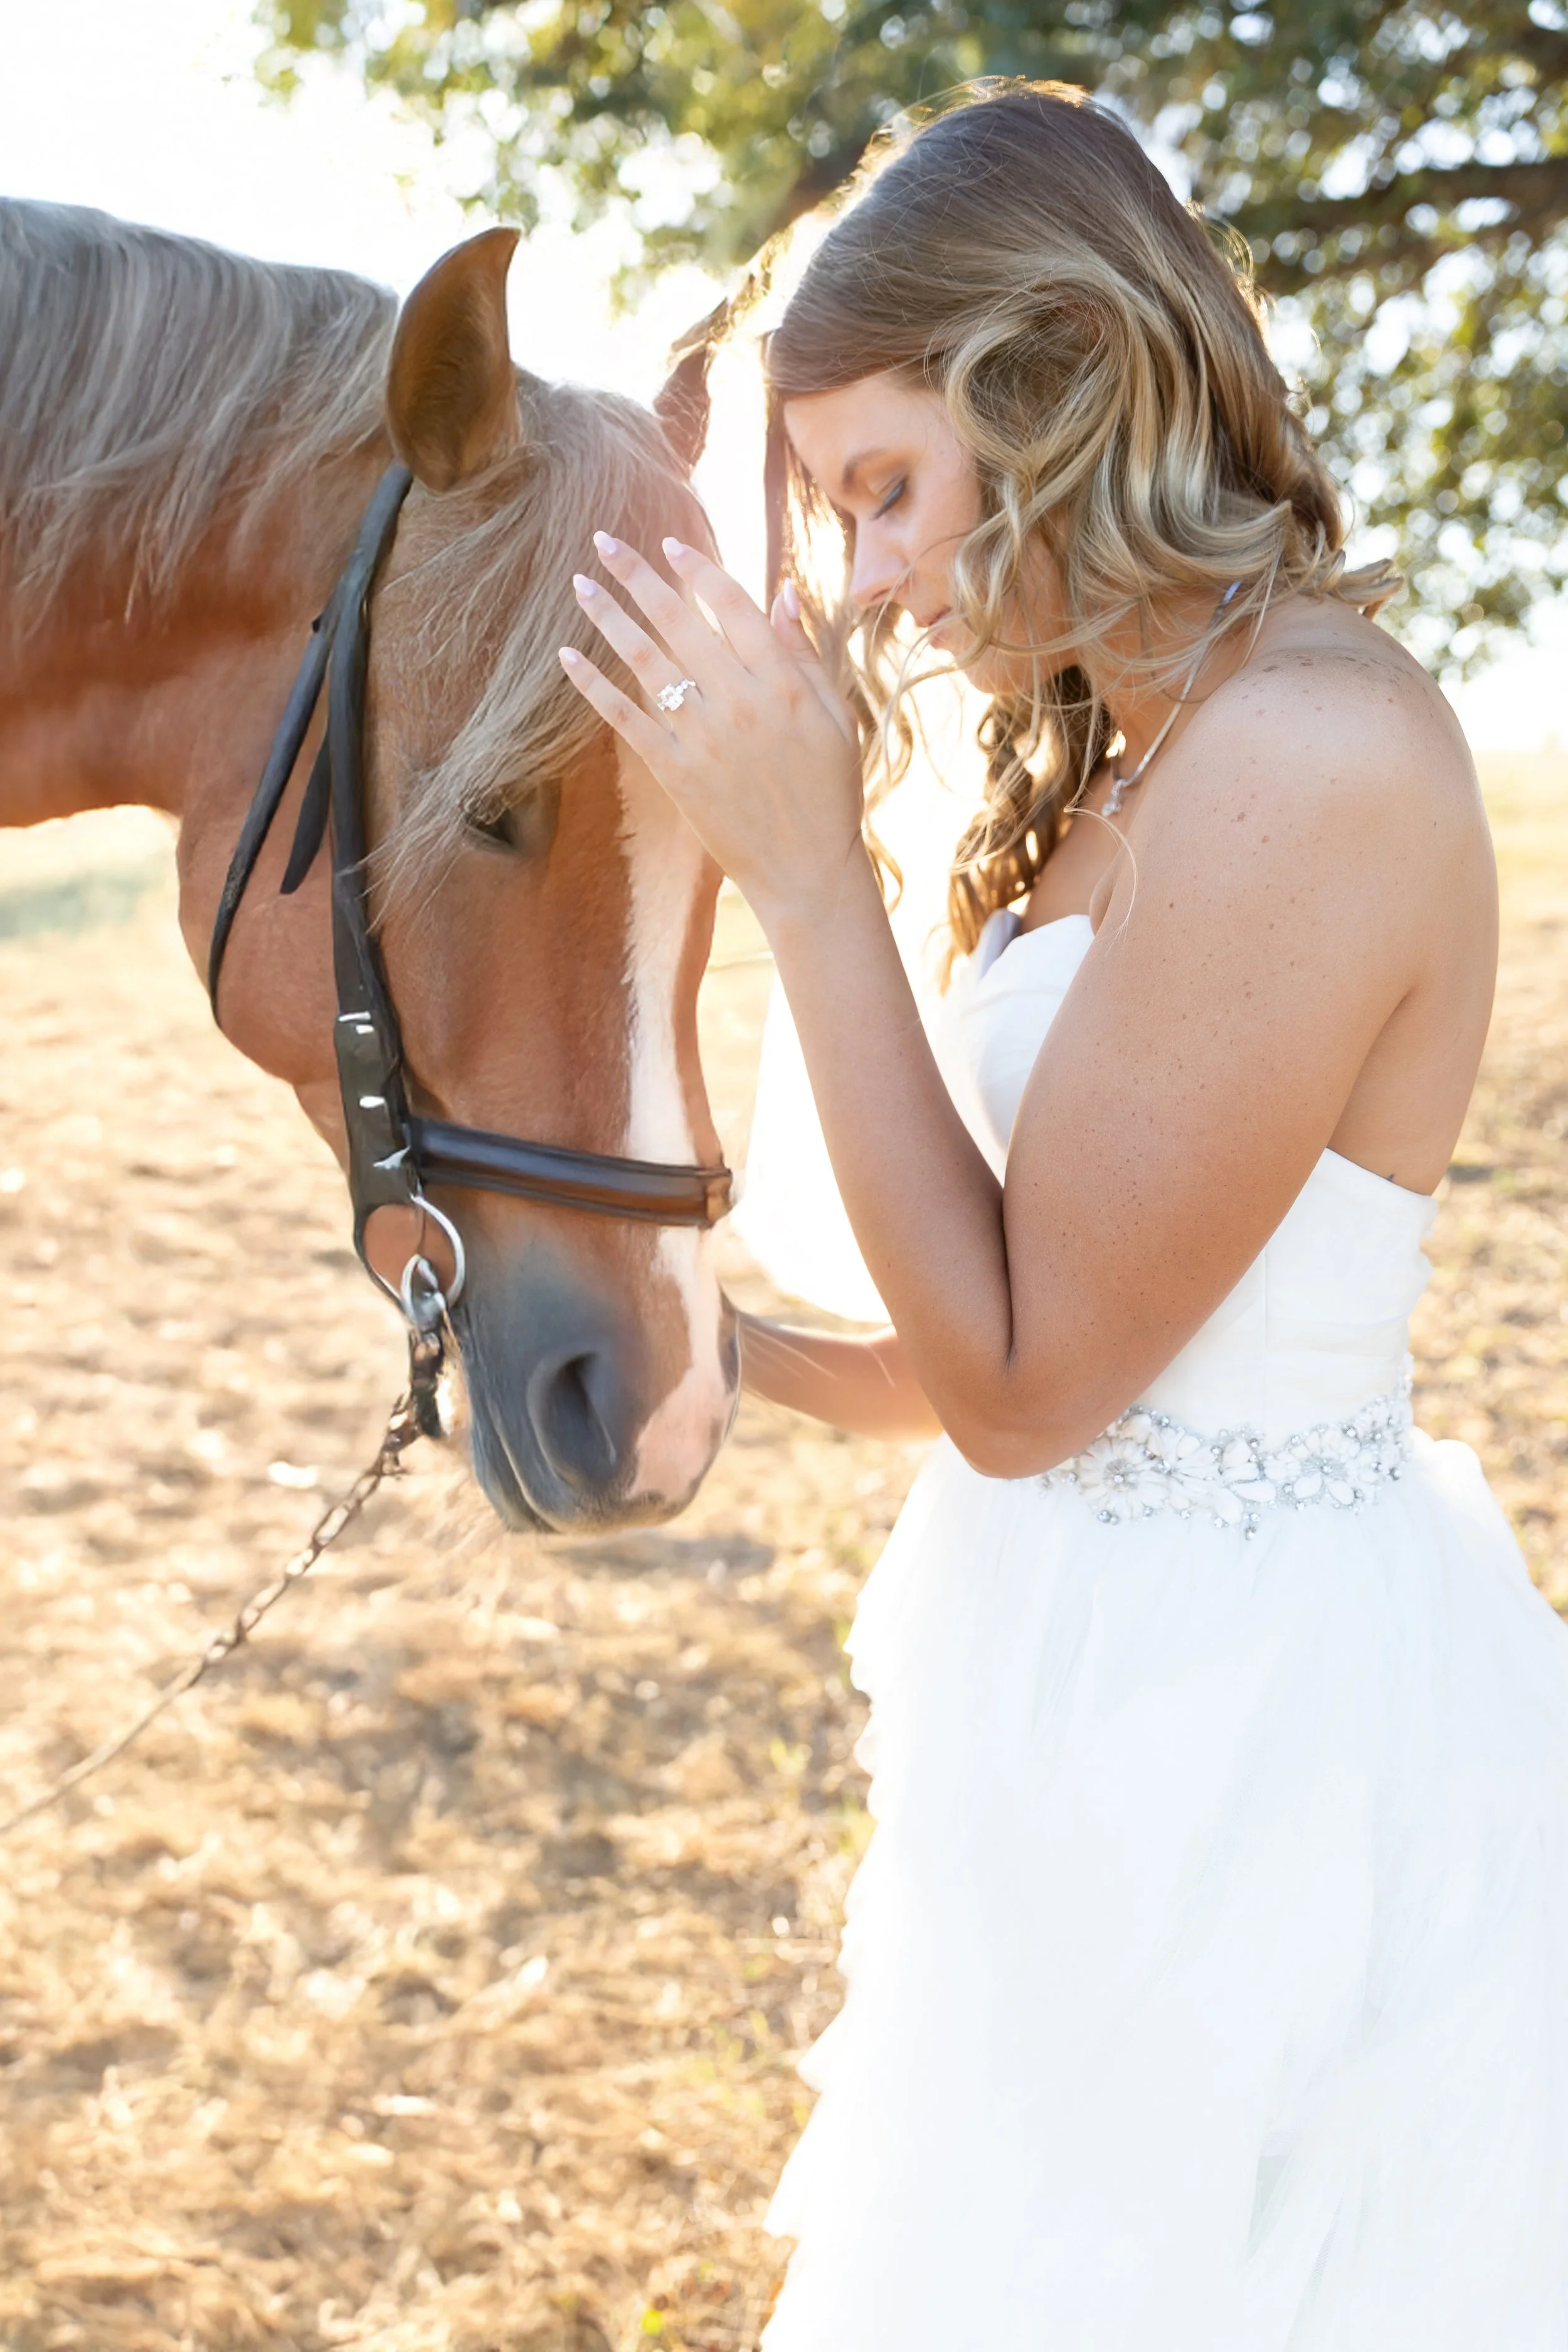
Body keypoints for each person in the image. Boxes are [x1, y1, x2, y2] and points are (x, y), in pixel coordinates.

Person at [559, 79, 1568, 2351]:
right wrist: (707, 1350)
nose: (878, 580)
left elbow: (1032, 1386)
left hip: (1251, 1755)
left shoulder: (1307, 755)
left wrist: (816, 870)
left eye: (890, 492)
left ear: (1064, 377)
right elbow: (1005, 1333)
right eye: (842, 515)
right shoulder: (1127, 766)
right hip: (1073, 1701)